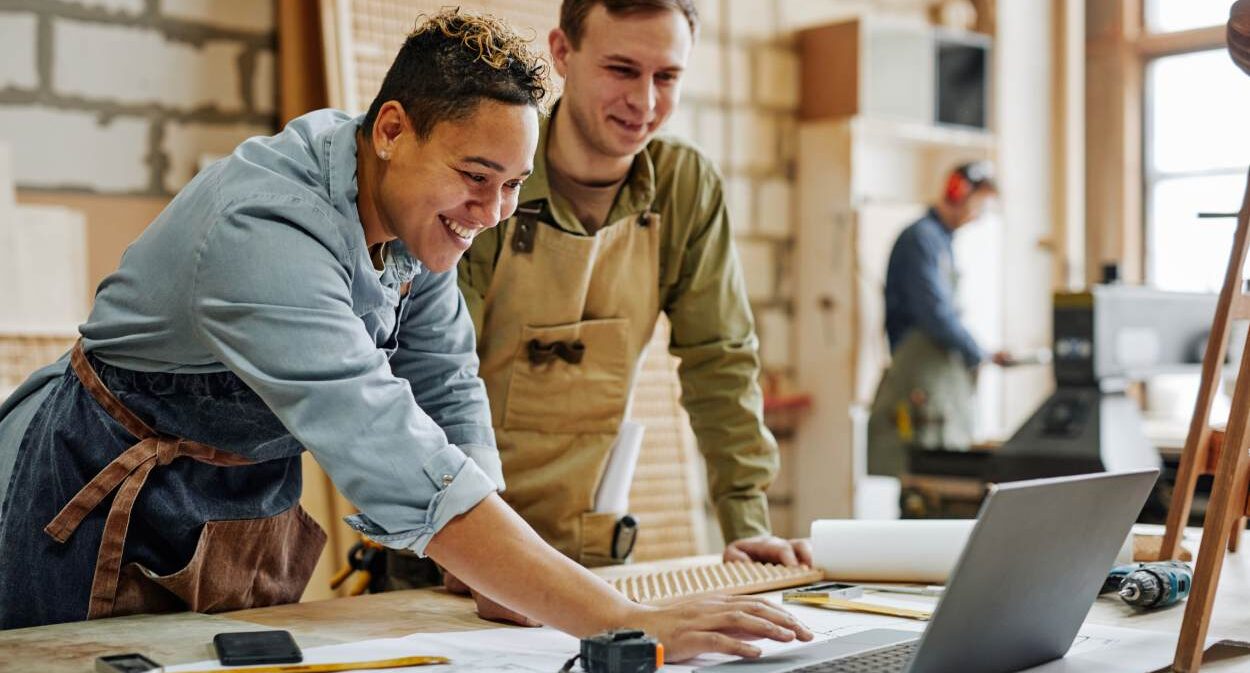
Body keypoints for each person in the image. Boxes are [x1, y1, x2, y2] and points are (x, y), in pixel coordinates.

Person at [0, 9, 811, 660]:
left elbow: (447, 378)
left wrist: (490, 571)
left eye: (513, 185)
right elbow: (389, 446)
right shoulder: (266, 230)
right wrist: (626, 620)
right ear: (392, 128)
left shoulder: (408, 213)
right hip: (103, 506)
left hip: (234, 511)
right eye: (475, 177)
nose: (491, 213)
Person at [382, 0, 809, 623]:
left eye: (667, 77)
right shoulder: (494, 174)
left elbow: (721, 362)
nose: (644, 101)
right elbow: (435, 373)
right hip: (444, 553)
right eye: (621, 69)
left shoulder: (685, 188)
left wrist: (748, 525)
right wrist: (467, 544)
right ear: (562, 52)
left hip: (588, 556)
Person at [867, 161, 1009, 477]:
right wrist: (977, 352)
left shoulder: (941, 242)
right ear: (958, 193)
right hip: (919, 377)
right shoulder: (921, 239)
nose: (978, 217)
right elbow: (935, 313)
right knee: (921, 477)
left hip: (934, 379)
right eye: (979, 206)